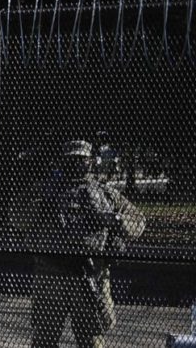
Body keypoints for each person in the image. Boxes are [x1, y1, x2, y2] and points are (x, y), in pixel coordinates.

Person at [29, 140, 146, 348]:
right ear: (63, 162)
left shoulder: (106, 194)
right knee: (43, 340)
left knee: (92, 340)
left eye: (81, 159)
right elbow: (16, 218)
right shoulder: (46, 190)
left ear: (91, 162)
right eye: (71, 160)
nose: (76, 164)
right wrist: (39, 207)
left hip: (91, 275)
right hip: (51, 276)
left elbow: (138, 221)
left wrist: (116, 220)